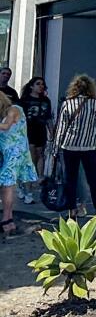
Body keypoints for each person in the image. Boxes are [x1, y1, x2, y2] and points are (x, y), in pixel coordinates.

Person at [54, 74, 96, 219]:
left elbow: (61, 128)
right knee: (92, 178)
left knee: (71, 179)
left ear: (74, 88)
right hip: (88, 147)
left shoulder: (67, 104)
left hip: (69, 146)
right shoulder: (95, 104)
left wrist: (55, 148)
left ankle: (72, 211)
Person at [0, 92, 39, 236]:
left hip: (14, 154)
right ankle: (8, 218)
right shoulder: (9, 112)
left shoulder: (14, 109)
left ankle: (6, 219)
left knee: (8, 186)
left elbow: (6, 126)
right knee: (6, 187)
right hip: (11, 153)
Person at [19, 77, 52, 204]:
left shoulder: (46, 101)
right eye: (38, 84)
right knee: (30, 156)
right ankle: (26, 187)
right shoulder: (25, 101)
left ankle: (38, 177)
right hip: (28, 130)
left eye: (43, 84)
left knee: (40, 154)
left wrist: (52, 132)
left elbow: (48, 118)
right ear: (31, 86)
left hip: (40, 130)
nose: (41, 86)